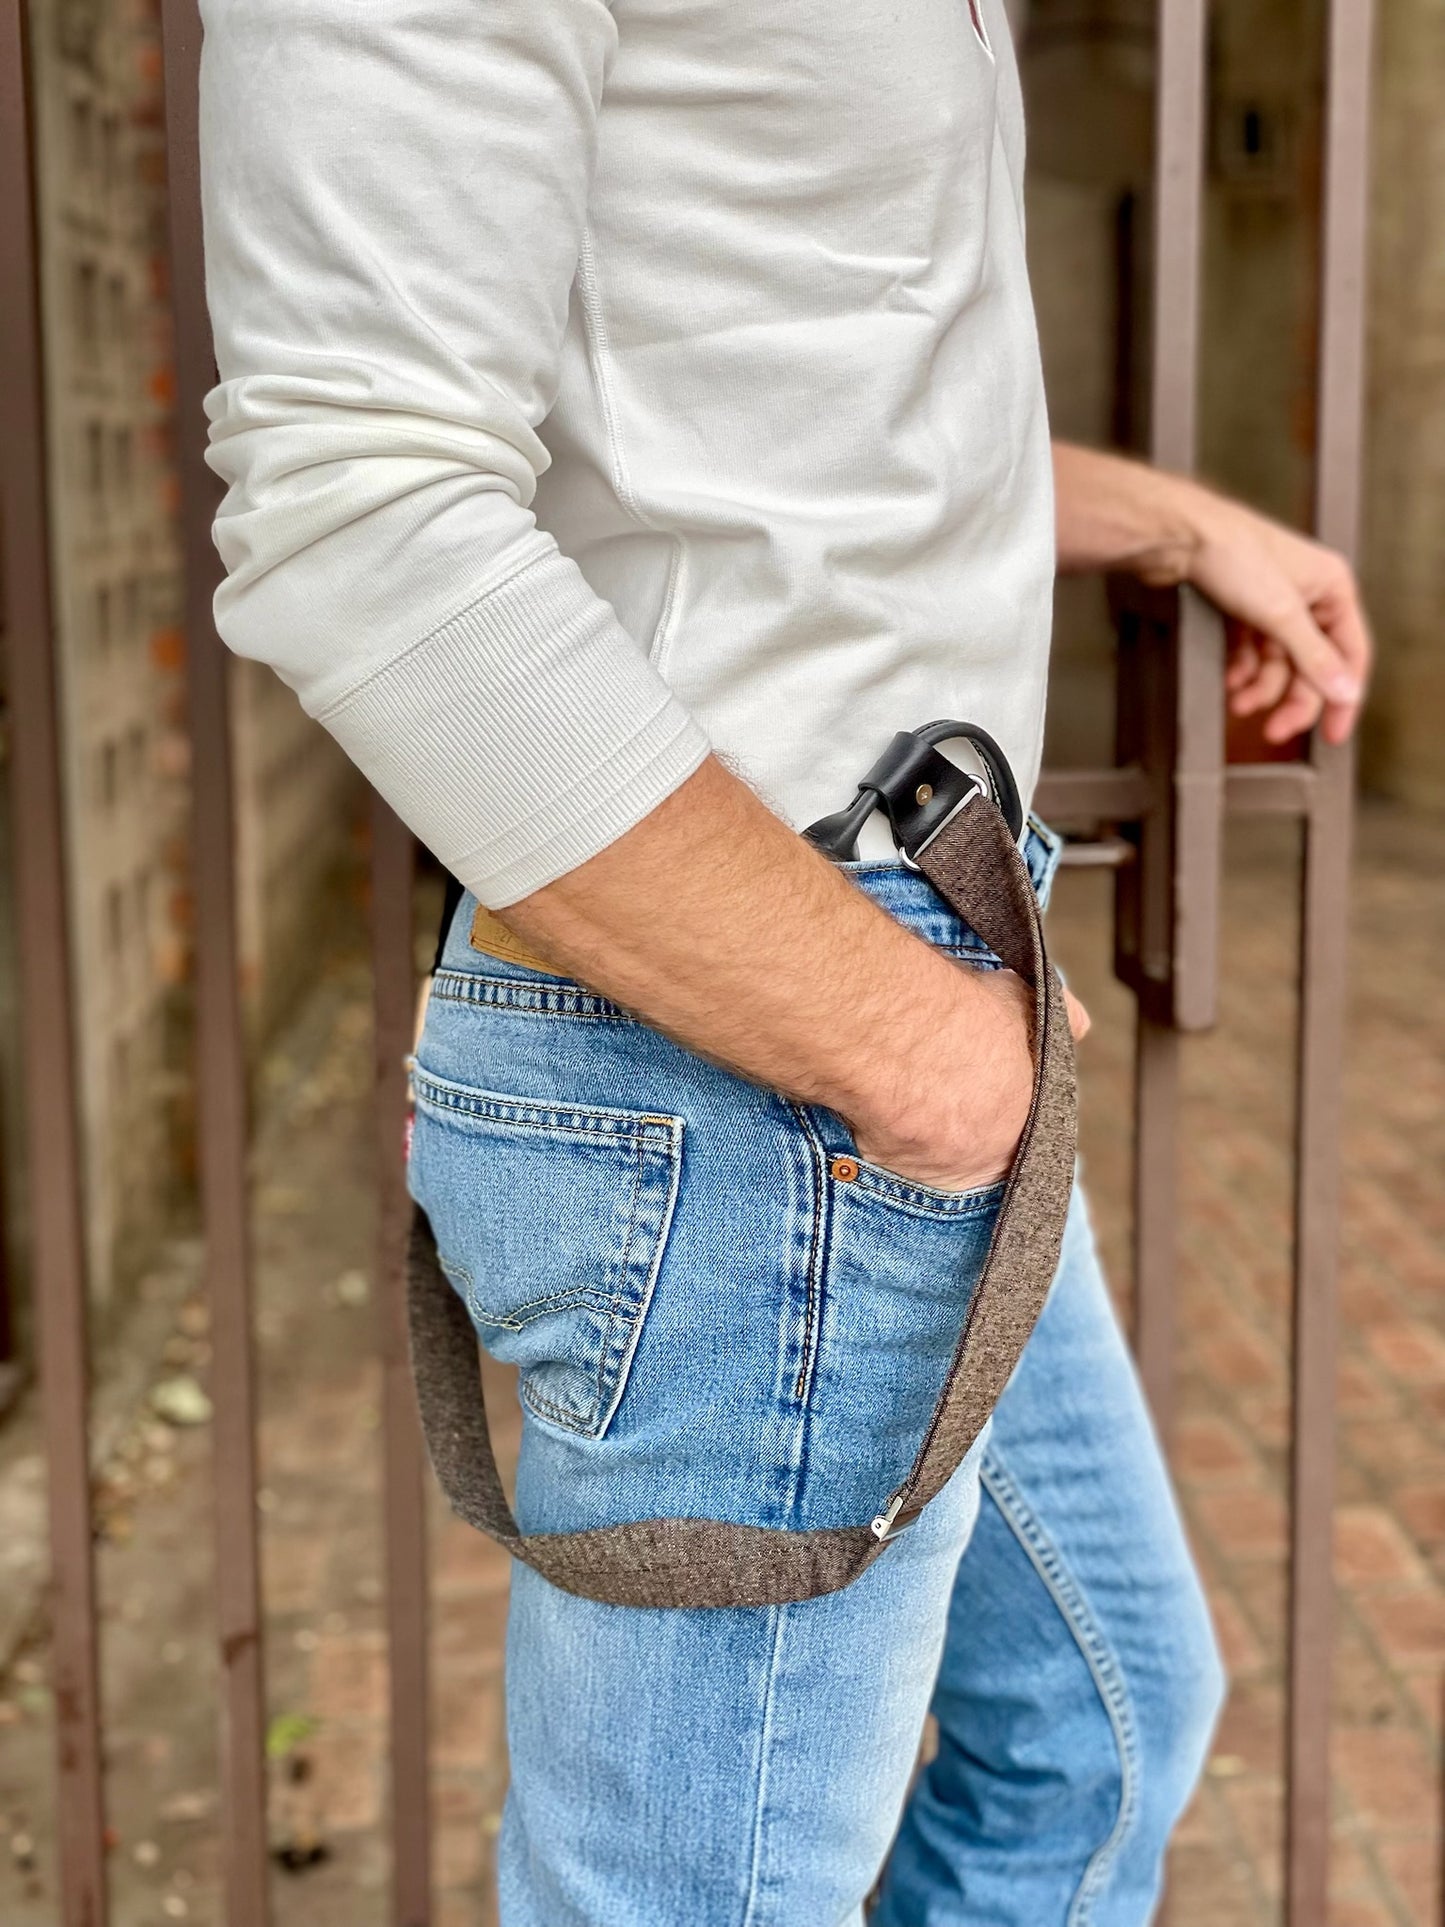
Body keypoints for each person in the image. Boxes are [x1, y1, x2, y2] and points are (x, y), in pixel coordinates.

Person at [196, 2, 1371, 1920]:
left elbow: (779, 406)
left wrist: (1168, 517)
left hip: (881, 1024)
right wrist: (913, 1053)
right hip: (768, 1030)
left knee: (1102, 1723)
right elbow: (358, 493)